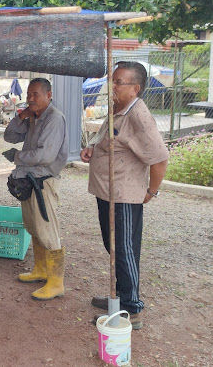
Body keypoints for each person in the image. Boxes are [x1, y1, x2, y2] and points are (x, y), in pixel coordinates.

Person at [80, 61, 168, 330]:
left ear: (136, 88)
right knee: (113, 247)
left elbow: (160, 159)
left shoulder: (138, 116)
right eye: (113, 81)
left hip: (124, 196)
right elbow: (111, 139)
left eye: (119, 82)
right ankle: (118, 296)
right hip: (107, 192)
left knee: (124, 251)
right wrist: (94, 148)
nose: (112, 87)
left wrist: (151, 191)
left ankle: (131, 308)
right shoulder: (119, 109)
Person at [3, 78, 69, 300]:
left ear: (48, 95)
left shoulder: (54, 118)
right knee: (33, 227)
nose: (30, 99)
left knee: (48, 230)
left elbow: (46, 156)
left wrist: (18, 156)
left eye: (36, 95)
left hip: (44, 181)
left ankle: (56, 282)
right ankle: (40, 269)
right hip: (29, 179)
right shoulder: (33, 116)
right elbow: (9, 136)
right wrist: (21, 116)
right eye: (29, 94)